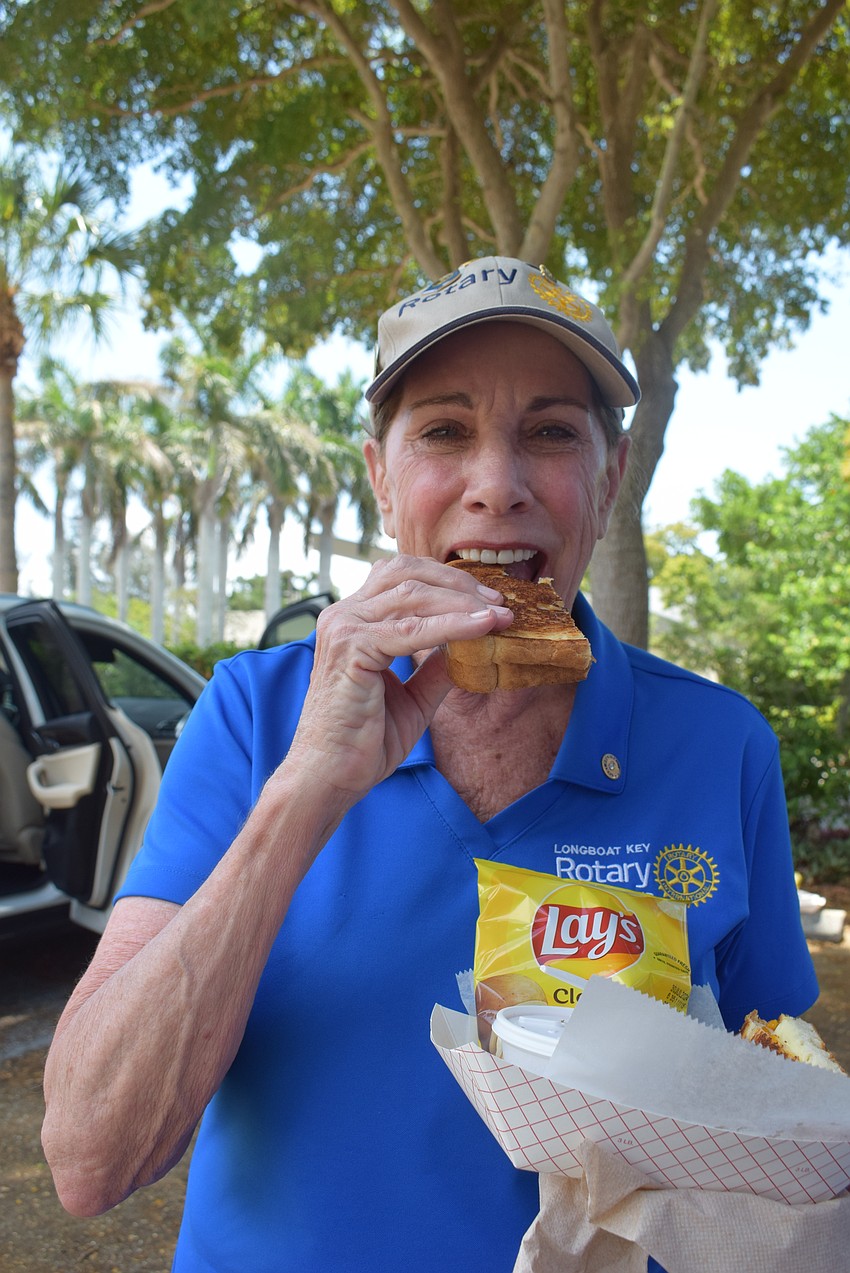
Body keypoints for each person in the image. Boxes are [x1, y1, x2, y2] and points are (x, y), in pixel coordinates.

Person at [41, 257, 818, 1273]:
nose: (495, 486)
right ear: (380, 475)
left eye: (551, 432)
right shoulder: (251, 716)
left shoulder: (721, 745)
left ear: (611, 477)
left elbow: (775, 1094)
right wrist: (309, 784)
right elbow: (91, 1160)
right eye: (445, 432)